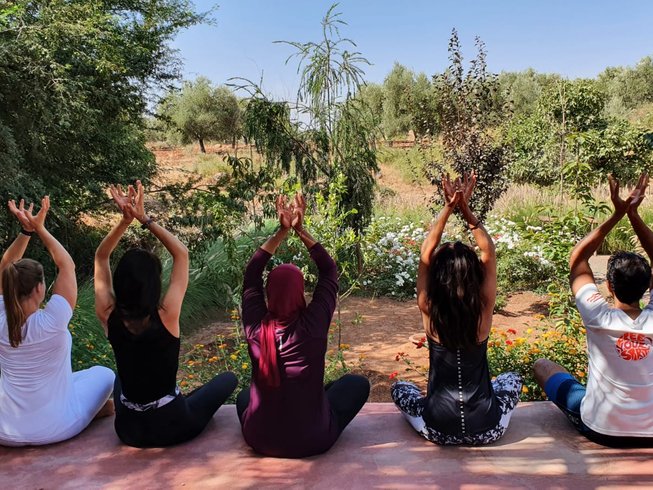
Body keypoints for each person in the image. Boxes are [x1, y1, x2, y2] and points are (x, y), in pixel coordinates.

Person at [94, 181, 237, 447]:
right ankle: (181, 399)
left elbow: (101, 257)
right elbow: (181, 254)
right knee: (228, 379)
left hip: (128, 430)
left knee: (120, 378)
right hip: (173, 425)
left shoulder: (107, 314)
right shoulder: (167, 315)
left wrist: (124, 221)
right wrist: (144, 218)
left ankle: (172, 400)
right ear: (154, 284)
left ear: (120, 283)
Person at [391, 172, 522, 445]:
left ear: (438, 278)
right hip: (487, 429)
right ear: (474, 277)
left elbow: (426, 253)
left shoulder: (428, 308)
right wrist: (465, 209)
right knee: (511, 379)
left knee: (400, 387)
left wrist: (448, 207)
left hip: (438, 430)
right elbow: (489, 253)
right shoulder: (483, 311)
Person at [237, 193, 370, 458]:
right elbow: (329, 271)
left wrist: (281, 232)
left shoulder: (255, 327)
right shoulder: (313, 325)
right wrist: (300, 230)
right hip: (313, 439)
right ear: (300, 292)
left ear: (268, 292)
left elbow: (251, 275)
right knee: (356, 384)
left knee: (244, 397)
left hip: (260, 439)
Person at [534, 173, 653, 446]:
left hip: (601, 429)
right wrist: (634, 215)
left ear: (608, 287)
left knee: (543, 366)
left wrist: (617, 214)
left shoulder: (598, 316)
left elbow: (578, 258)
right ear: (649, 285)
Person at [0, 197, 114, 446]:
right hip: (56, 428)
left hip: (5, 431)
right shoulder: (53, 320)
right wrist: (38, 228)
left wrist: (25, 232)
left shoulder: (0, 316)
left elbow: (6, 267)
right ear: (40, 288)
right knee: (104, 373)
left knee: (69, 380)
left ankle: (90, 408)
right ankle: (93, 411)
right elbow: (66, 265)